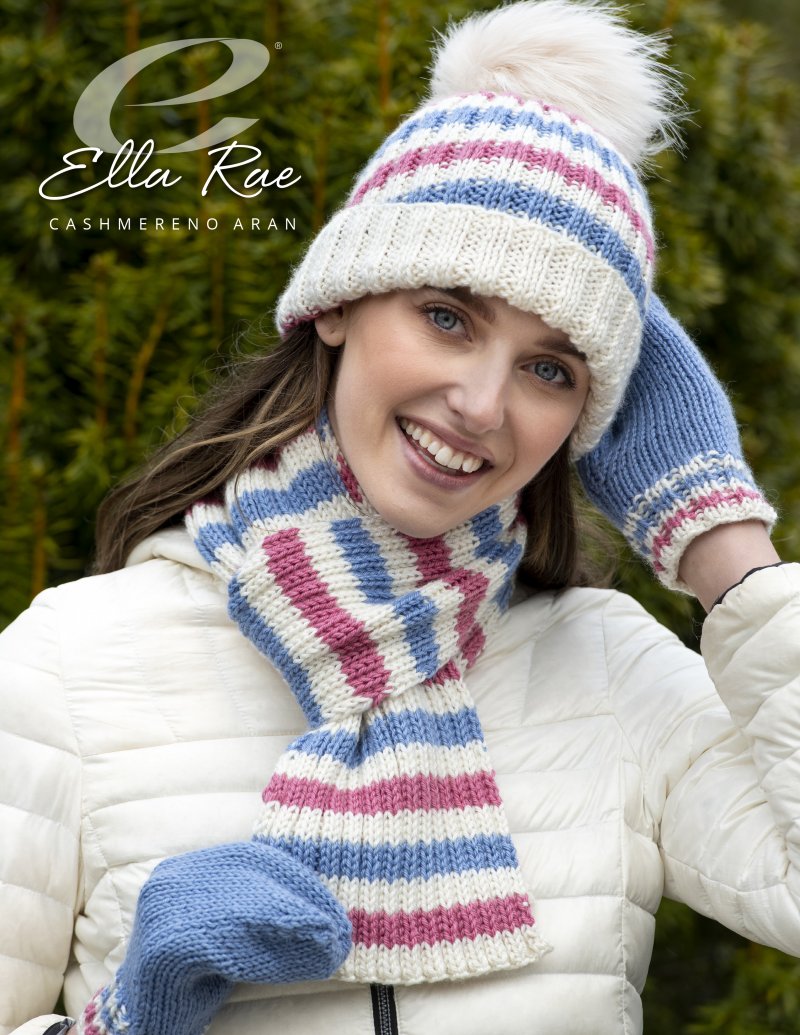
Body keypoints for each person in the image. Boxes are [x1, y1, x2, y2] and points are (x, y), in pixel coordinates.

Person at [2, 1, 799, 1033]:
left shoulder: (608, 668)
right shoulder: (68, 665)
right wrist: (128, 1021)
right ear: (339, 300)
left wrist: (724, 545)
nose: (481, 403)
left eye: (550, 369)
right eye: (446, 316)